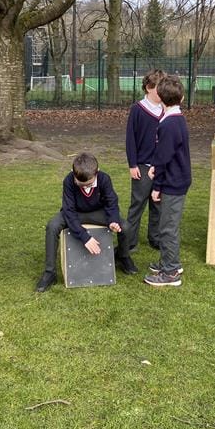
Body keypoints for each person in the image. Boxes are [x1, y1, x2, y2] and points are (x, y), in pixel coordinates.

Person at [36, 152, 137, 293]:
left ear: (97, 172)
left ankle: (123, 256)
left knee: (125, 227)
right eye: (80, 184)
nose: (84, 187)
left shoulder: (104, 179)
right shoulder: (68, 180)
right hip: (75, 213)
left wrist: (114, 220)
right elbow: (69, 211)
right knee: (52, 226)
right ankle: (49, 273)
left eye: (88, 184)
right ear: (73, 173)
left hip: (98, 213)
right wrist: (85, 237)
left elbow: (111, 202)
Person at [144, 75, 191, 287]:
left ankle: (171, 273)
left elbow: (164, 158)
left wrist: (157, 187)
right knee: (168, 224)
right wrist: (156, 166)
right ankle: (169, 262)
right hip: (175, 179)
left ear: (160, 98)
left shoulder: (169, 124)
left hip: (173, 183)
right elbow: (165, 154)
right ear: (181, 98)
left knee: (167, 228)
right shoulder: (175, 119)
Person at [124, 69, 165, 252]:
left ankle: (155, 238)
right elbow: (130, 139)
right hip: (142, 165)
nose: (163, 92)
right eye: (159, 88)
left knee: (158, 205)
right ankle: (130, 242)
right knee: (137, 205)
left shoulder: (167, 110)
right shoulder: (137, 109)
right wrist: (132, 164)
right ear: (149, 88)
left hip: (160, 167)